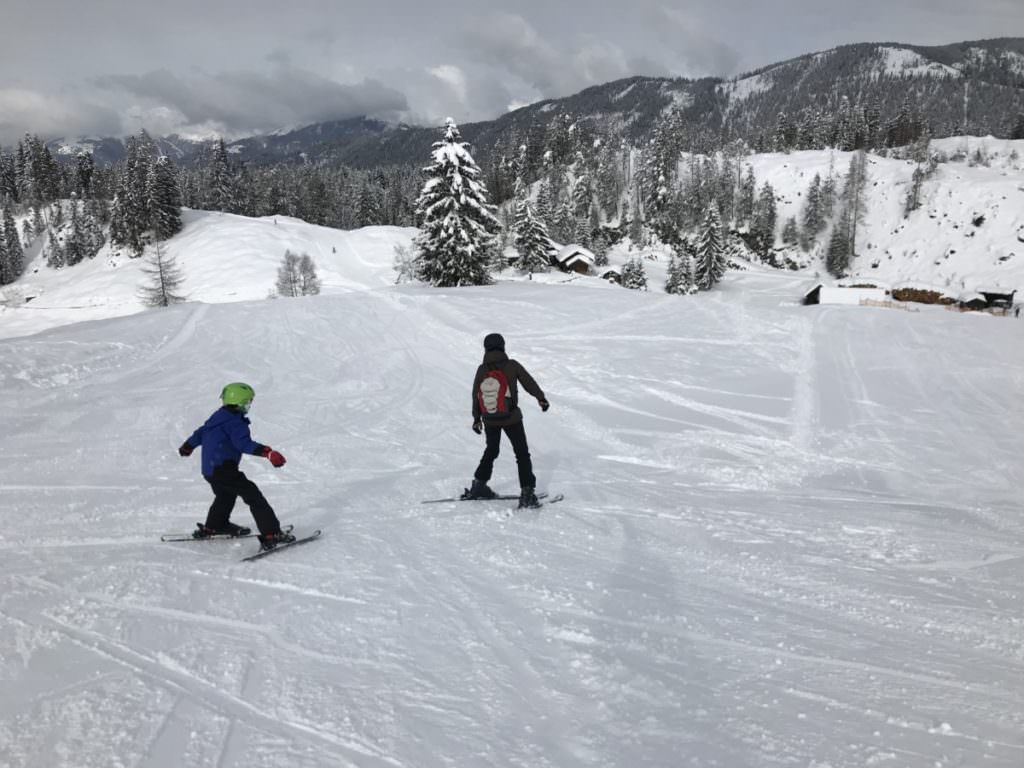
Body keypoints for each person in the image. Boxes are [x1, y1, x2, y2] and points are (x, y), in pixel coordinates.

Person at [178, 382, 296, 550]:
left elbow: (201, 432)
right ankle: (271, 534)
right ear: (239, 402)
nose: (249, 405)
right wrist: (268, 453)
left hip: (210, 470)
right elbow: (243, 444)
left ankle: (215, 525)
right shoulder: (235, 423)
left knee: (225, 496)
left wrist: (188, 446)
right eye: (248, 402)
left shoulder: (218, 417)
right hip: (224, 469)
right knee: (254, 497)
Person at [465, 333, 549, 508]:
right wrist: (541, 398)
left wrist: (476, 418)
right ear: (503, 346)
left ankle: (479, 485)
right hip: (511, 418)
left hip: (490, 419)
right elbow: (528, 382)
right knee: (522, 454)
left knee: (492, 450)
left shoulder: (482, 369)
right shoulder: (512, 365)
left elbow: (475, 395)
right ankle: (527, 493)